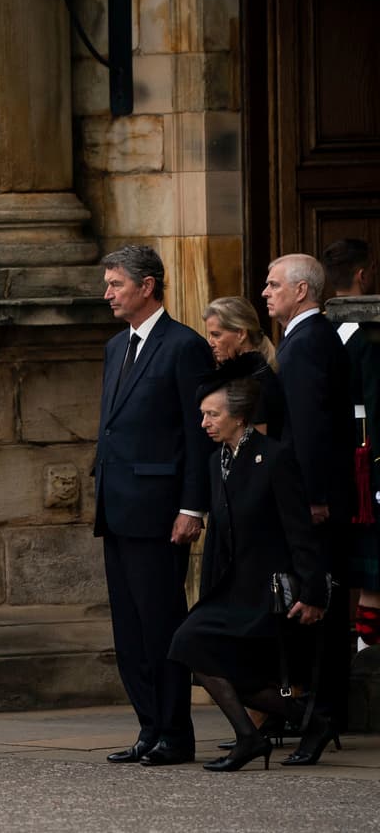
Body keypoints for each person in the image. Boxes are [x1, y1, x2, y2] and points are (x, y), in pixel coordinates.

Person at [169, 357, 331, 770]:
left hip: (268, 589)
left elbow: (300, 532)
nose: (204, 422)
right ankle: (301, 722)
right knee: (195, 648)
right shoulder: (215, 461)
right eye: (202, 414)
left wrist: (312, 593)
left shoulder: (274, 458)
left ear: (238, 416)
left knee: (199, 649)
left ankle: (261, 734)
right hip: (232, 587)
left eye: (213, 414)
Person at [94, 246, 212, 767]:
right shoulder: (116, 346)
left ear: (148, 286)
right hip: (117, 507)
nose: (108, 294)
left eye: (116, 284)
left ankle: (175, 732)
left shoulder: (184, 345)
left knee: (161, 622)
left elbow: (196, 435)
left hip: (161, 510)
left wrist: (192, 507)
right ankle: (147, 726)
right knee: (129, 628)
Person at [263, 254, 356, 734]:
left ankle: (319, 711)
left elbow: (310, 429)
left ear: (302, 291)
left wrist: (314, 497)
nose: (265, 292)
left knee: (317, 603)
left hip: (313, 500)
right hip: (319, 494)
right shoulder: (310, 338)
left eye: (273, 284)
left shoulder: (303, 344)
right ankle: (319, 708)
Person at [321, 239, 380, 646]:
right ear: (363, 274)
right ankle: (365, 654)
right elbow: (376, 399)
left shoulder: (315, 328)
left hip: (329, 456)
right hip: (364, 458)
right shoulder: (370, 333)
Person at [201, 296, 286, 439]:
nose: (211, 343)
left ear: (241, 334)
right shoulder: (237, 374)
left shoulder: (257, 380)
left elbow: (258, 446)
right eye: (209, 335)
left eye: (216, 335)